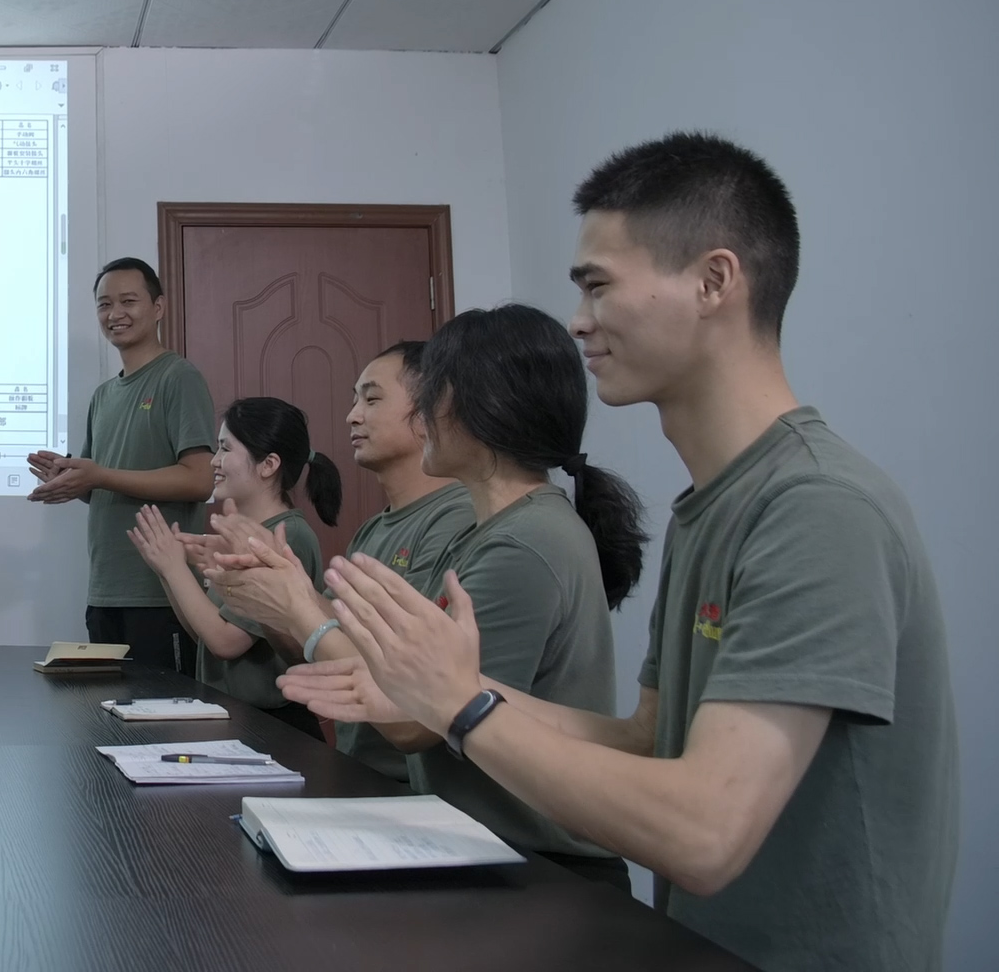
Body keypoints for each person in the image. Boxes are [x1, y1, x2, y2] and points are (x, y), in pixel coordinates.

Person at [287, 134, 958, 971]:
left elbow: (706, 832)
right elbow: (647, 736)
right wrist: (438, 684)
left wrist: (462, 708)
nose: (578, 321)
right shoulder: (709, 508)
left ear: (714, 282)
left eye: (598, 286)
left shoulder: (814, 507)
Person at [214, 304, 644, 890]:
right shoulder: (496, 530)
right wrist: (289, 600)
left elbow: (416, 720)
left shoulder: (525, 542)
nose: (422, 417)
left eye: (433, 396)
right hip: (480, 844)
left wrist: (297, 605)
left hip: (538, 867)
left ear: (483, 408)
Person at [209, 341, 471, 780]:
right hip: (359, 768)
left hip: (410, 782)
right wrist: (272, 597)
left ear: (431, 411)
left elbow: (412, 691)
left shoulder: (456, 519)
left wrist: (290, 599)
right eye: (353, 400)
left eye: (372, 399)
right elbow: (316, 650)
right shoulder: (373, 530)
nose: (352, 415)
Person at [28, 257, 215, 673]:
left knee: (162, 711)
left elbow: (200, 479)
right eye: (104, 304)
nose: (115, 313)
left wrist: (100, 474)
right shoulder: (103, 395)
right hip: (106, 591)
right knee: (109, 709)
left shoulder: (178, 377)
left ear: (158, 307)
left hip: (162, 593)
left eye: (128, 301)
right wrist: (70, 478)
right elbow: (101, 486)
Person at [127, 397, 340, 734]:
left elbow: (225, 642)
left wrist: (174, 569)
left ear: (268, 464)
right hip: (231, 716)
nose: (214, 461)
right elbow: (203, 635)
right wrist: (165, 567)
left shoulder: (287, 535)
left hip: (272, 725)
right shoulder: (243, 534)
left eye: (225, 449)